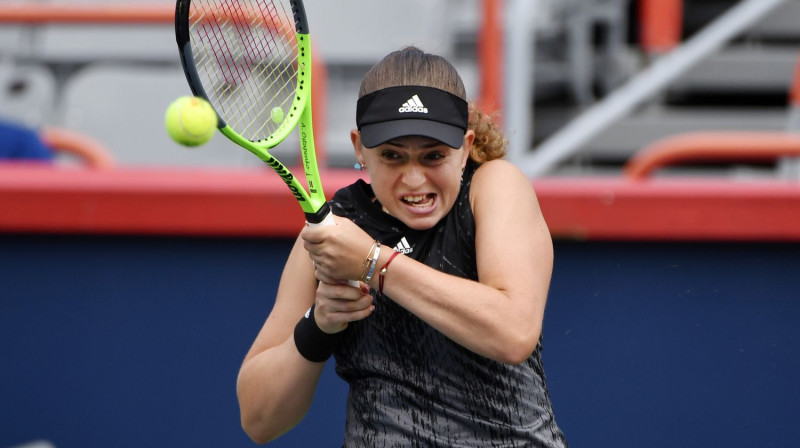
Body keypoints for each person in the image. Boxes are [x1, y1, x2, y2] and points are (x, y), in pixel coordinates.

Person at [236, 46, 568, 447]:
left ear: (465, 147)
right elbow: (258, 419)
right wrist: (319, 324)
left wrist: (374, 263)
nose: (414, 180)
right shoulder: (339, 228)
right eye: (392, 156)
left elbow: (513, 332)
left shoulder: (495, 186)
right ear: (359, 148)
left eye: (433, 156)